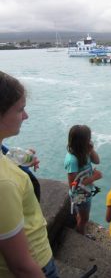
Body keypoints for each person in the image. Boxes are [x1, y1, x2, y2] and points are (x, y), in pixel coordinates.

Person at [0, 70, 59, 277]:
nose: (26, 116)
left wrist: (16, 159)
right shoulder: (4, 183)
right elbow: (21, 266)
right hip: (36, 263)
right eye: (20, 110)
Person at [64, 124, 102, 235]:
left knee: (80, 214)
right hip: (79, 195)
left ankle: (79, 228)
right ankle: (80, 234)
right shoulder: (72, 160)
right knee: (85, 218)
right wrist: (94, 177)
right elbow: (73, 185)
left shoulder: (84, 151)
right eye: (88, 139)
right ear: (82, 142)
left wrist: (91, 150)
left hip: (85, 192)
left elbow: (97, 161)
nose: (90, 141)